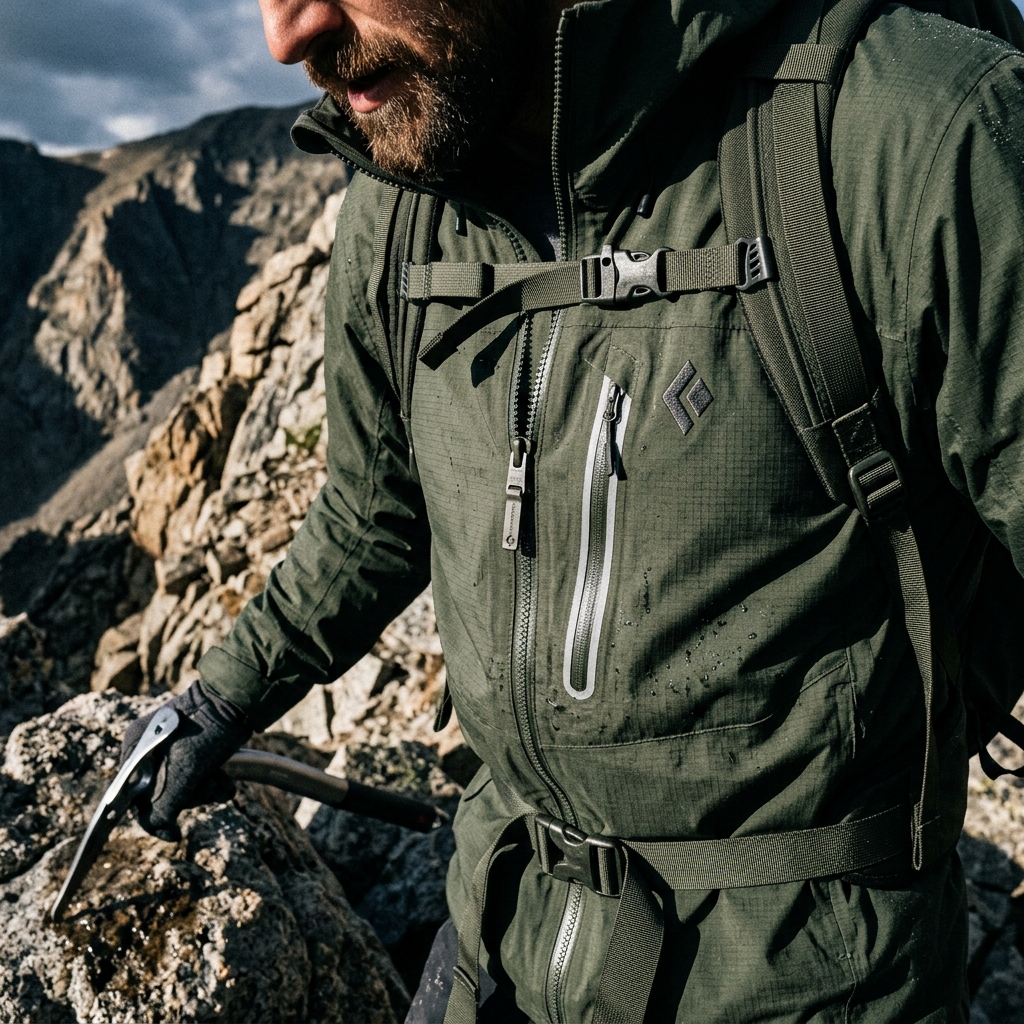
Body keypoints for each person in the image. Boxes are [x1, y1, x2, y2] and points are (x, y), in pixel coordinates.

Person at [120, 0, 1024, 1020]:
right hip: (502, 934)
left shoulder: (917, 132)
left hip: (800, 980)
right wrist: (216, 703)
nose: (286, 37)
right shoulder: (409, 194)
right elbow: (374, 511)